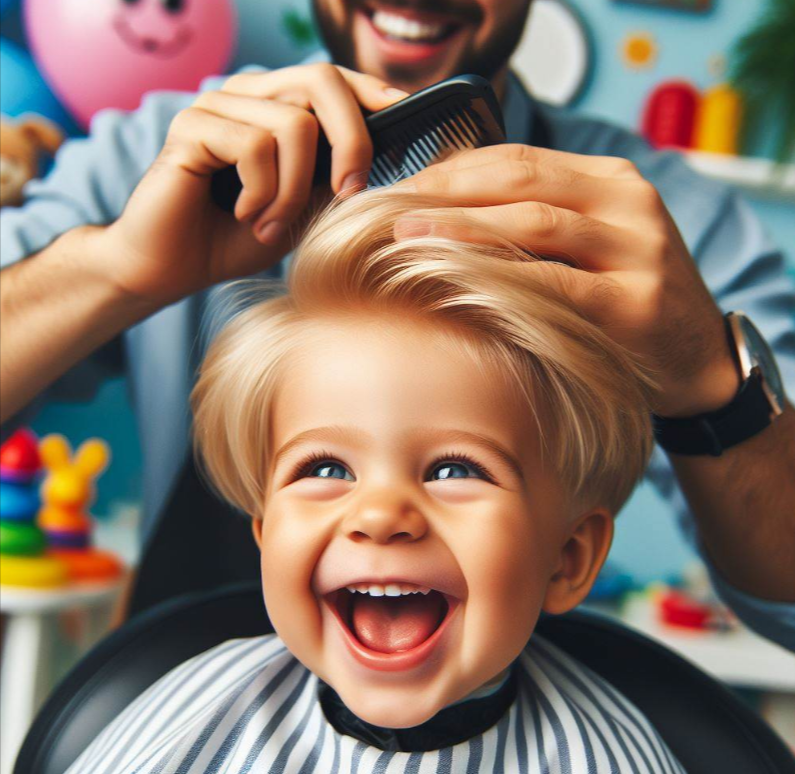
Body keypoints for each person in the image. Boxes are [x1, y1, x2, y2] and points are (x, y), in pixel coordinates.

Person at [1, 1, 793, 646]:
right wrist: (113, 269)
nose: (379, 518)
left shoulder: (658, 218)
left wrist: (710, 387)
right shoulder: (159, 149)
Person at [66, 187, 686, 774]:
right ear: (266, 535)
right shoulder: (189, 716)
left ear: (567, 557)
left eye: (455, 470)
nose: (381, 514)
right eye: (325, 468)